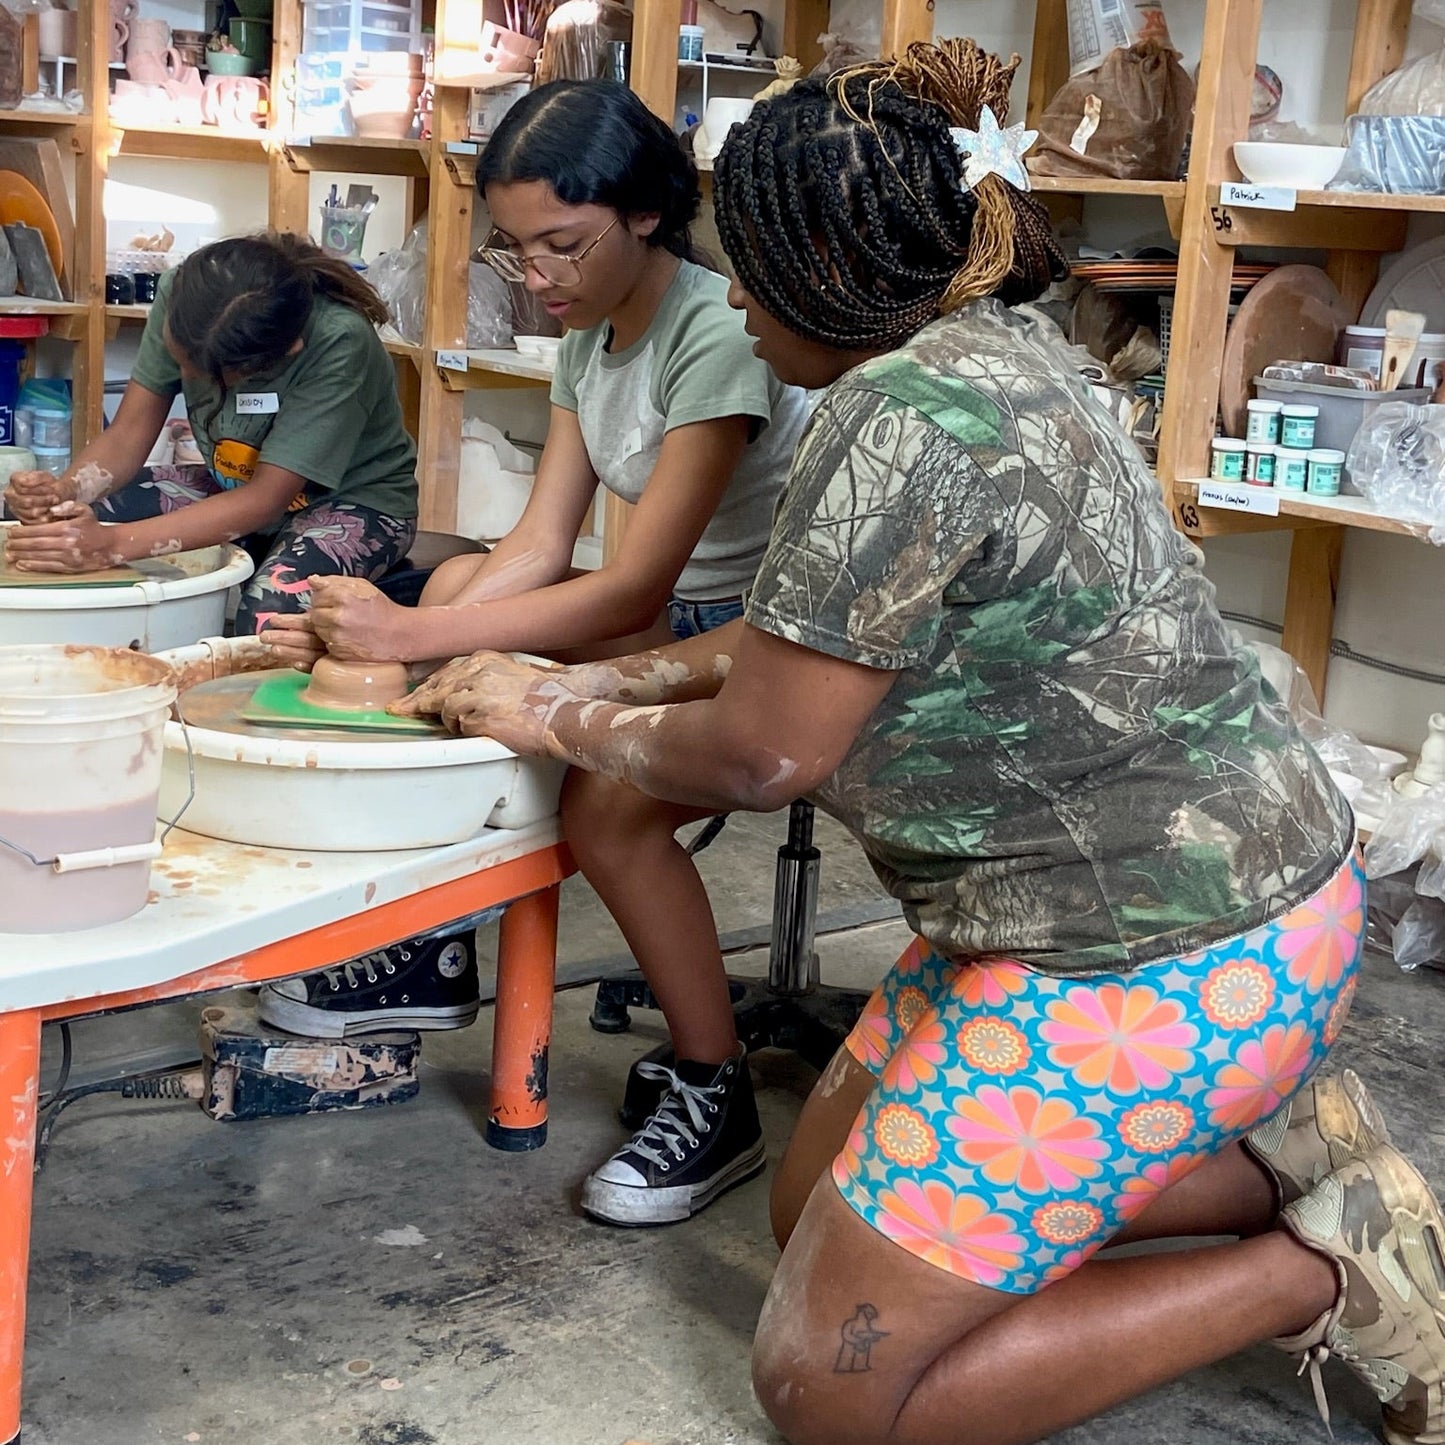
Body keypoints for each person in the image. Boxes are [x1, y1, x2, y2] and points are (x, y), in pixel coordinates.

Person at [390, 40, 1445, 1445]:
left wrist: (552, 707)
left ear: (825, 263)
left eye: (755, 270)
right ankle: (1275, 1164)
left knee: (833, 1396)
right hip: (1159, 909)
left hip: (1158, 955)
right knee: (801, 1213)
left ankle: (1317, 1268)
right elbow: (811, 640)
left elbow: (764, 757)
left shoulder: (898, 416)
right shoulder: (1000, 348)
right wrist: (627, 666)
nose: (741, 305)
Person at [258, 79, 811, 1228]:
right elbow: (540, 544)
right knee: (463, 585)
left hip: (745, 634)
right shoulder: (585, 336)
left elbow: (639, 582)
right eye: (517, 251)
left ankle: (715, 1091)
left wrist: (415, 639)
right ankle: (440, 942)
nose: (541, 275)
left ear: (646, 211)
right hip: (668, 614)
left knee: (605, 800)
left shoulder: (713, 333)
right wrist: (402, 629)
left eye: (563, 244)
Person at [3, 233, 419, 635]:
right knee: (48, 532)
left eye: (201, 370)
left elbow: (264, 499)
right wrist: (65, 494)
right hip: (231, 487)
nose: (184, 377)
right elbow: (129, 433)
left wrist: (110, 545)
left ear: (282, 352)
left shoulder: (337, 341)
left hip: (354, 504)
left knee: (270, 615)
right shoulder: (184, 298)